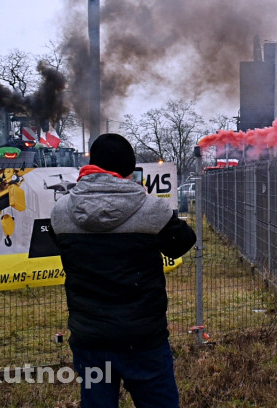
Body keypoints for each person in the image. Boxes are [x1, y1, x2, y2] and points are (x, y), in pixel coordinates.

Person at [51, 133, 196, 408]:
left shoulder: (61, 212)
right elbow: (183, 243)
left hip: (90, 337)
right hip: (143, 339)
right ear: (129, 170)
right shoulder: (151, 209)